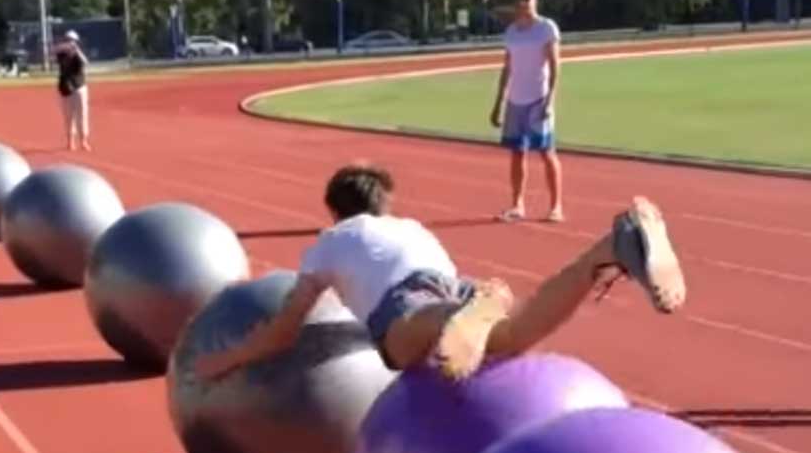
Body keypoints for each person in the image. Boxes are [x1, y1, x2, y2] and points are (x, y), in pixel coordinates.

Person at [193, 163, 684, 385]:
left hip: (415, 304)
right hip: (451, 281)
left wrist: (229, 359)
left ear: (335, 212)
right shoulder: (409, 227)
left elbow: (285, 328)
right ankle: (608, 248)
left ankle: (460, 315)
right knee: (512, 335)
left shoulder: (331, 241)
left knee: (403, 345)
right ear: (384, 203)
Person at [489, 0, 565, 223]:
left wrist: (550, 100)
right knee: (517, 153)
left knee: (546, 152)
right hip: (516, 100)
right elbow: (507, 67)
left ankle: (556, 206)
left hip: (538, 99)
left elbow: (555, 67)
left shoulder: (546, 28)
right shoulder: (511, 32)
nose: (524, 3)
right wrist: (499, 102)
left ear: (535, 1)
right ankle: (517, 204)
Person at [54, 30, 90, 151]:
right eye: (67, 39)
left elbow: (85, 62)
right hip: (65, 87)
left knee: (82, 115)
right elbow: (55, 51)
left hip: (79, 86)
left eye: (72, 40)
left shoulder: (78, 54)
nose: (69, 42)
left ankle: (83, 140)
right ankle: (70, 141)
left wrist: (76, 50)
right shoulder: (61, 54)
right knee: (68, 116)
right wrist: (65, 48)